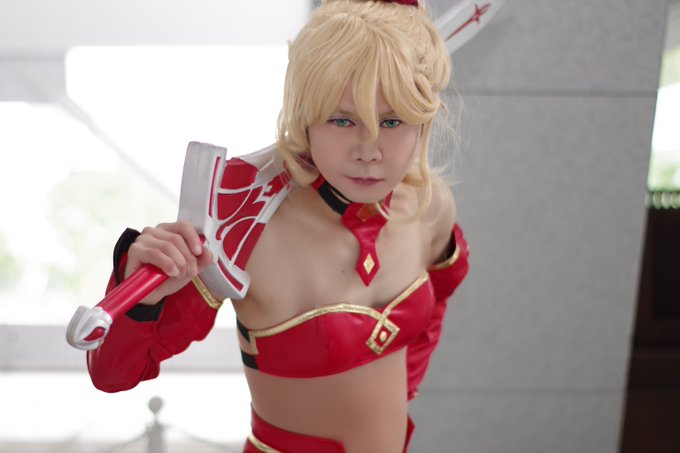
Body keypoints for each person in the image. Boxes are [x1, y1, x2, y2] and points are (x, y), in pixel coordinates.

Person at [86, 0, 470, 451]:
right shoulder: (245, 230)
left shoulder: (428, 205)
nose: (369, 150)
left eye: (392, 121)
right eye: (342, 119)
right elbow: (113, 374)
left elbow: (438, 298)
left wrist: (401, 396)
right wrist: (142, 295)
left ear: (425, 120)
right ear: (305, 118)